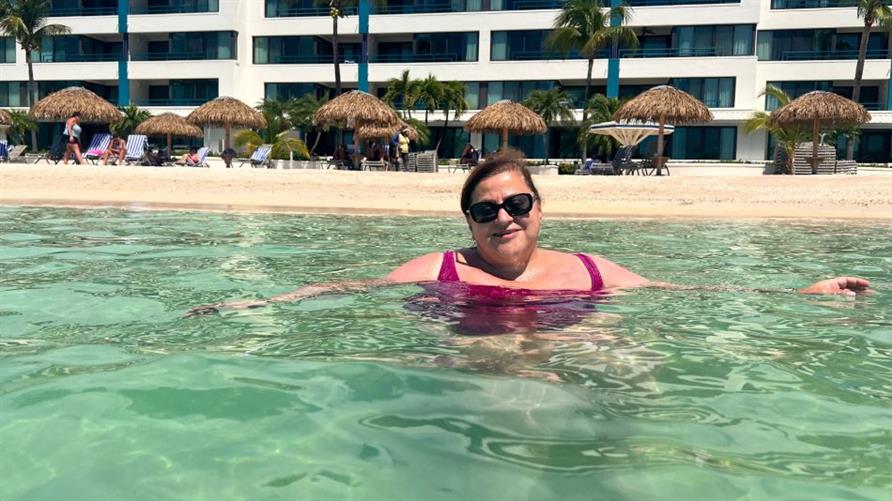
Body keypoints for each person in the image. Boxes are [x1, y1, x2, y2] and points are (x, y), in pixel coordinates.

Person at [185, 150, 871, 320]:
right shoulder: (444, 268)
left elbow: (685, 290)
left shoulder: (592, 271)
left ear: (539, 207)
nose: (503, 216)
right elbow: (339, 287)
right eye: (486, 210)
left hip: (572, 362)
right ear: (470, 223)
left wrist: (801, 292)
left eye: (516, 202)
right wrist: (249, 305)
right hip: (477, 376)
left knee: (624, 361)